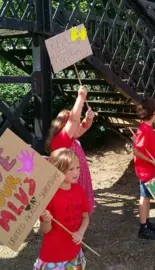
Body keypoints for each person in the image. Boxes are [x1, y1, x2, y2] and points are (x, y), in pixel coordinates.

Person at [44, 86, 96, 216]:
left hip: (76, 177)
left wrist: (88, 119)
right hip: (68, 182)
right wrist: (81, 97)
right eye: (74, 123)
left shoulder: (72, 137)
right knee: (72, 208)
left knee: (79, 206)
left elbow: (83, 127)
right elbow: (74, 119)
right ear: (63, 126)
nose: (78, 124)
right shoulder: (62, 139)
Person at [35, 148, 90, 270]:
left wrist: (81, 232)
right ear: (58, 170)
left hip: (74, 252)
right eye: (71, 169)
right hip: (54, 256)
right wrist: (47, 220)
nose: (76, 172)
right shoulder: (48, 195)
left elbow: (85, 216)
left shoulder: (78, 190)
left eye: (78, 167)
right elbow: (45, 230)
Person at [132, 97, 155, 240]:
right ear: (153, 113)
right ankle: (143, 227)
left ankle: (147, 221)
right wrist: (151, 161)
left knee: (147, 198)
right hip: (145, 170)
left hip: (149, 169)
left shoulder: (147, 127)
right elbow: (137, 151)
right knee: (144, 198)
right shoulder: (145, 129)